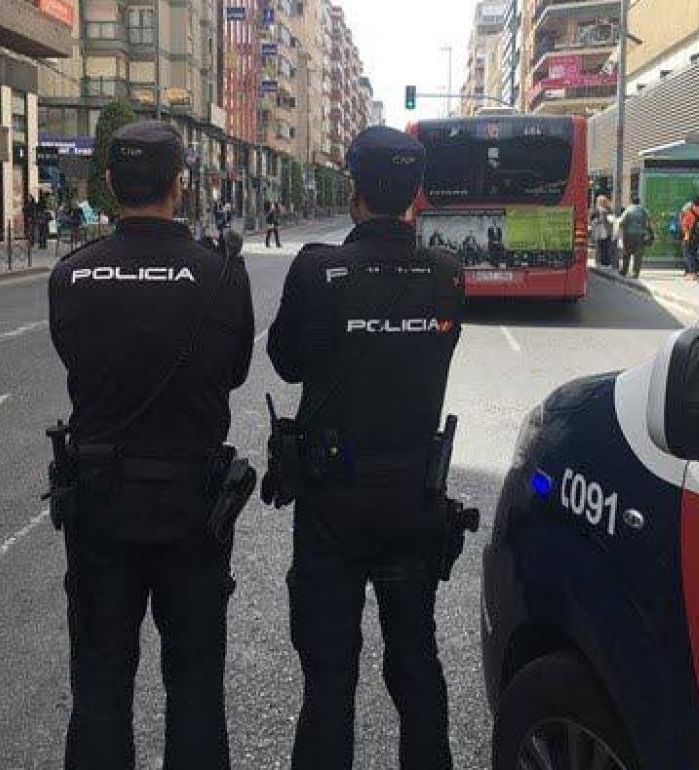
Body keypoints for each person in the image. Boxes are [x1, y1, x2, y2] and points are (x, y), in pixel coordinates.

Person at [48, 120, 255, 770]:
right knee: (195, 691)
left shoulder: (70, 275)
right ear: (180, 185)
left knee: (101, 691)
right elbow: (236, 372)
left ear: (110, 185)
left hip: (100, 507)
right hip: (194, 511)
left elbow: (75, 356)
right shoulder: (221, 277)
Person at [267, 126, 465, 770]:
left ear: (353, 190)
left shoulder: (318, 270)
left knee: (329, 681)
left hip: (331, 506)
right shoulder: (447, 277)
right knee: (416, 668)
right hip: (414, 499)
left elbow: (287, 363)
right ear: (417, 194)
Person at [617, 197, 653, 279]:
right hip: (641, 235)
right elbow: (649, 222)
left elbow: (622, 221)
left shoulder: (628, 210)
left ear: (631, 201)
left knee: (626, 253)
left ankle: (624, 270)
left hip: (629, 234)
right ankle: (635, 273)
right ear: (639, 202)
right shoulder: (645, 210)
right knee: (638, 255)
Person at [679, 195, 699, 279]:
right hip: (689, 236)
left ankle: (692, 272)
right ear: (696, 207)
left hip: (698, 237)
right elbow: (684, 226)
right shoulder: (689, 214)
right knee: (688, 254)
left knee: (695, 254)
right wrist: (687, 235)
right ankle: (690, 272)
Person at [590, 194, 616, 267]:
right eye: (603, 201)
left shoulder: (599, 210)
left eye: (604, 201)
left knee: (602, 247)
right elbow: (592, 218)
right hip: (604, 231)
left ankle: (601, 262)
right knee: (604, 247)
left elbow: (591, 219)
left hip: (602, 231)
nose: (604, 203)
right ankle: (604, 262)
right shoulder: (606, 210)